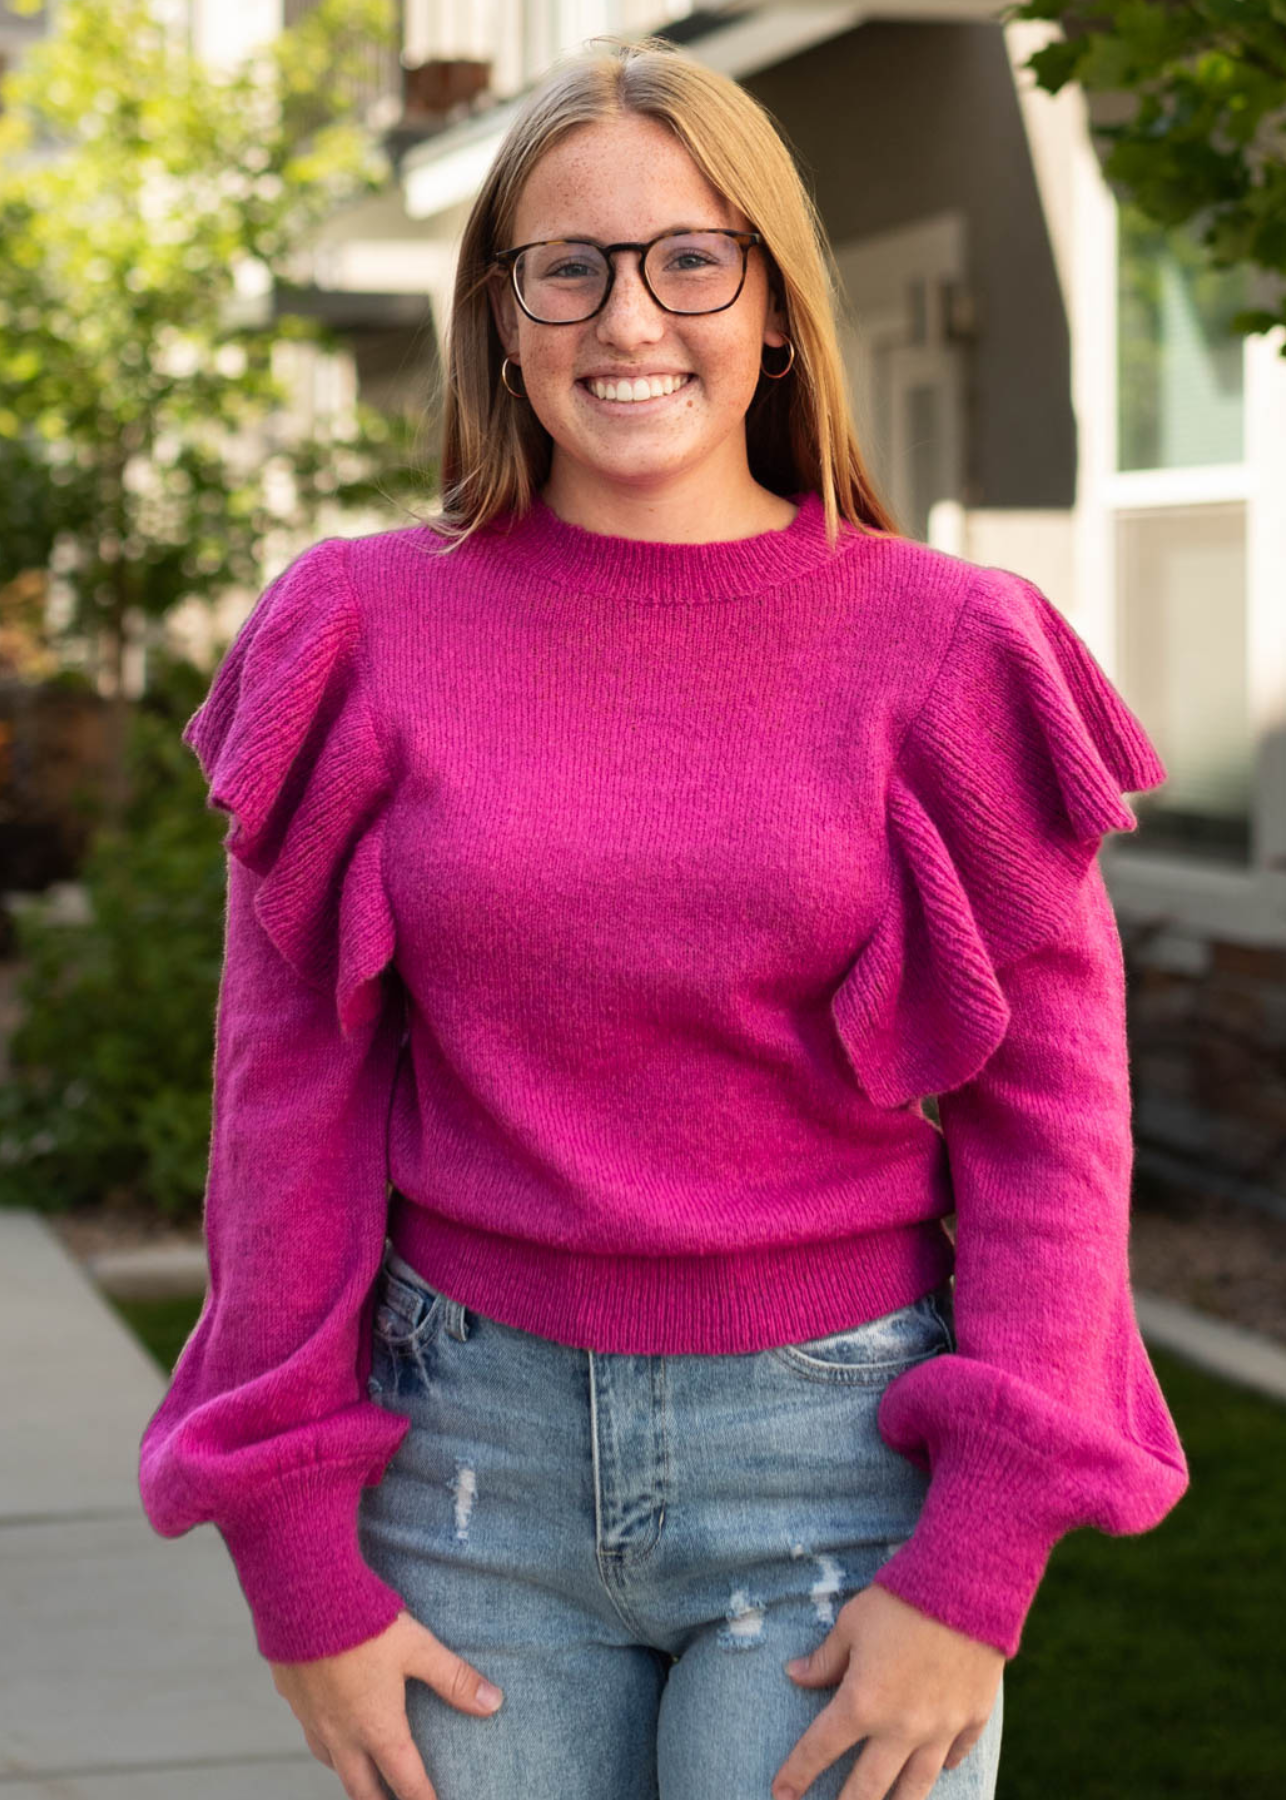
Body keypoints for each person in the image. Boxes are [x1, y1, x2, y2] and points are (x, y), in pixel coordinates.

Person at [137, 32, 1190, 1800]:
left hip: (840, 1466)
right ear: (501, 313)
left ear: (774, 302)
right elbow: (284, 1114)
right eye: (569, 267)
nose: (630, 322)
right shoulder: (358, 629)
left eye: (690, 258)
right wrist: (297, 1564)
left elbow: (1052, 1123)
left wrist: (980, 1563)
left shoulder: (946, 645)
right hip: (464, 1472)